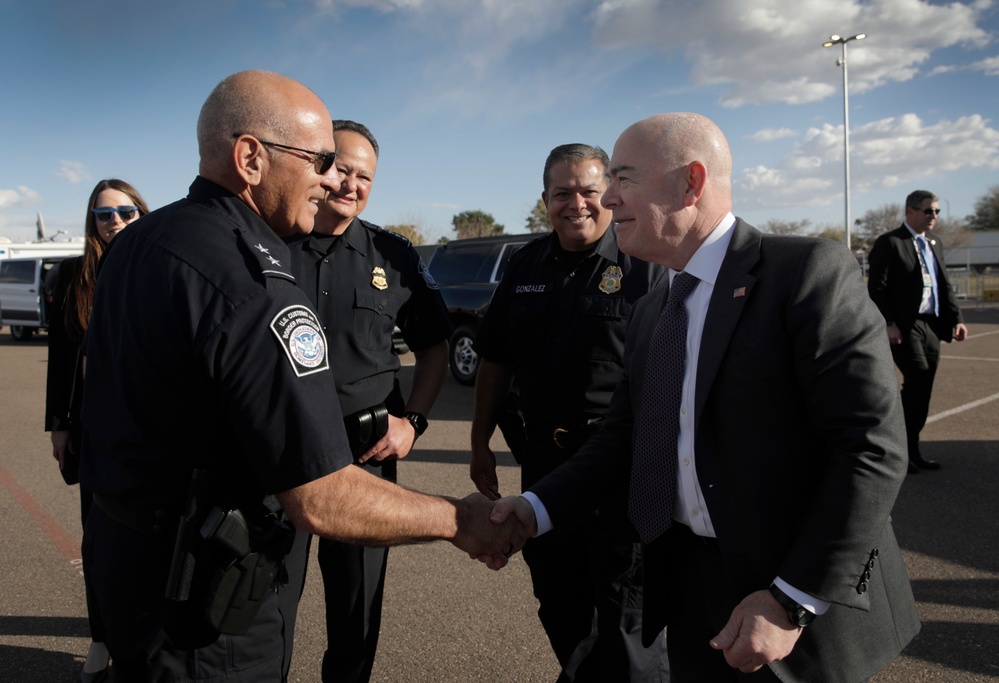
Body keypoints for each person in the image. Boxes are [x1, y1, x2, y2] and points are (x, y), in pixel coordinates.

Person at [78, 70, 522, 682]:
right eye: (317, 160)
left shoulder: (139, 244)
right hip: (202, 602)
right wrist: (458, 519)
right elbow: (320, 496)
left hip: (125, 562)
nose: (329, 178)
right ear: (251, 157)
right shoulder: (254, 282)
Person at [490, 113, 921, 682]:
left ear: (691, 183)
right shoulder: (653, 308)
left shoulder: (806, 275)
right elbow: (621, 440)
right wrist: (534, 509)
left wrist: (792, 598)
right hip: (691, 588)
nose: (610, 198)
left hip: (793, 600)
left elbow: (872, 448)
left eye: (624, 178)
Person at [470, 143, 669, 682]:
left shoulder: (646, 266)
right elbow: (496, 358)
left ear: (609, 193)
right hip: (545, 467)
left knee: (627, 611)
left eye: (587, 190)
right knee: (559, 600)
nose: (575, 203)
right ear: (545, 200)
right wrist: (479, 442)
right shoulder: (524, 266)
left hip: (619, 471)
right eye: (562, 193)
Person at [284, 119, 451, 683]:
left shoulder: (393, 255)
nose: (351, 184)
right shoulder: (269, 245)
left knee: (356, 610)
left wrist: (414, 422)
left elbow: (434, 349)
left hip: (366, 453)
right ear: (316, 165)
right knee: (267, 603)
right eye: (340, 169)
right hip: (280, 451)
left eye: (365, 176)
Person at [45, 178, 149, 683]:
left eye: (126, 212)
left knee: (151, 535)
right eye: (104, 214)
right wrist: (58, 424)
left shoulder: (158, 265)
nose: (116, 222)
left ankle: (147, 632)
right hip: (92, 428)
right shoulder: (72, 276)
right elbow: (60, 356)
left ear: (141, 213)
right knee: (98, 539)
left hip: (150, 429)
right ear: (92, 221)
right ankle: (100, 638)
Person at [867, 190, 968, 474]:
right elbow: (877, 287)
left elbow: (944, 283)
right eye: (928, 211)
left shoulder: (934, 242)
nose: (933, 216)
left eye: (936, 211)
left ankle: (913, 448)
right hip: (903, 326)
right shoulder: (890, 243)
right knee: (918, 380)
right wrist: (888, 322)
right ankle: (899, 448)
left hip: (931, 325)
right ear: (910, 211)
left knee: (923, 387)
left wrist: (956, 318)